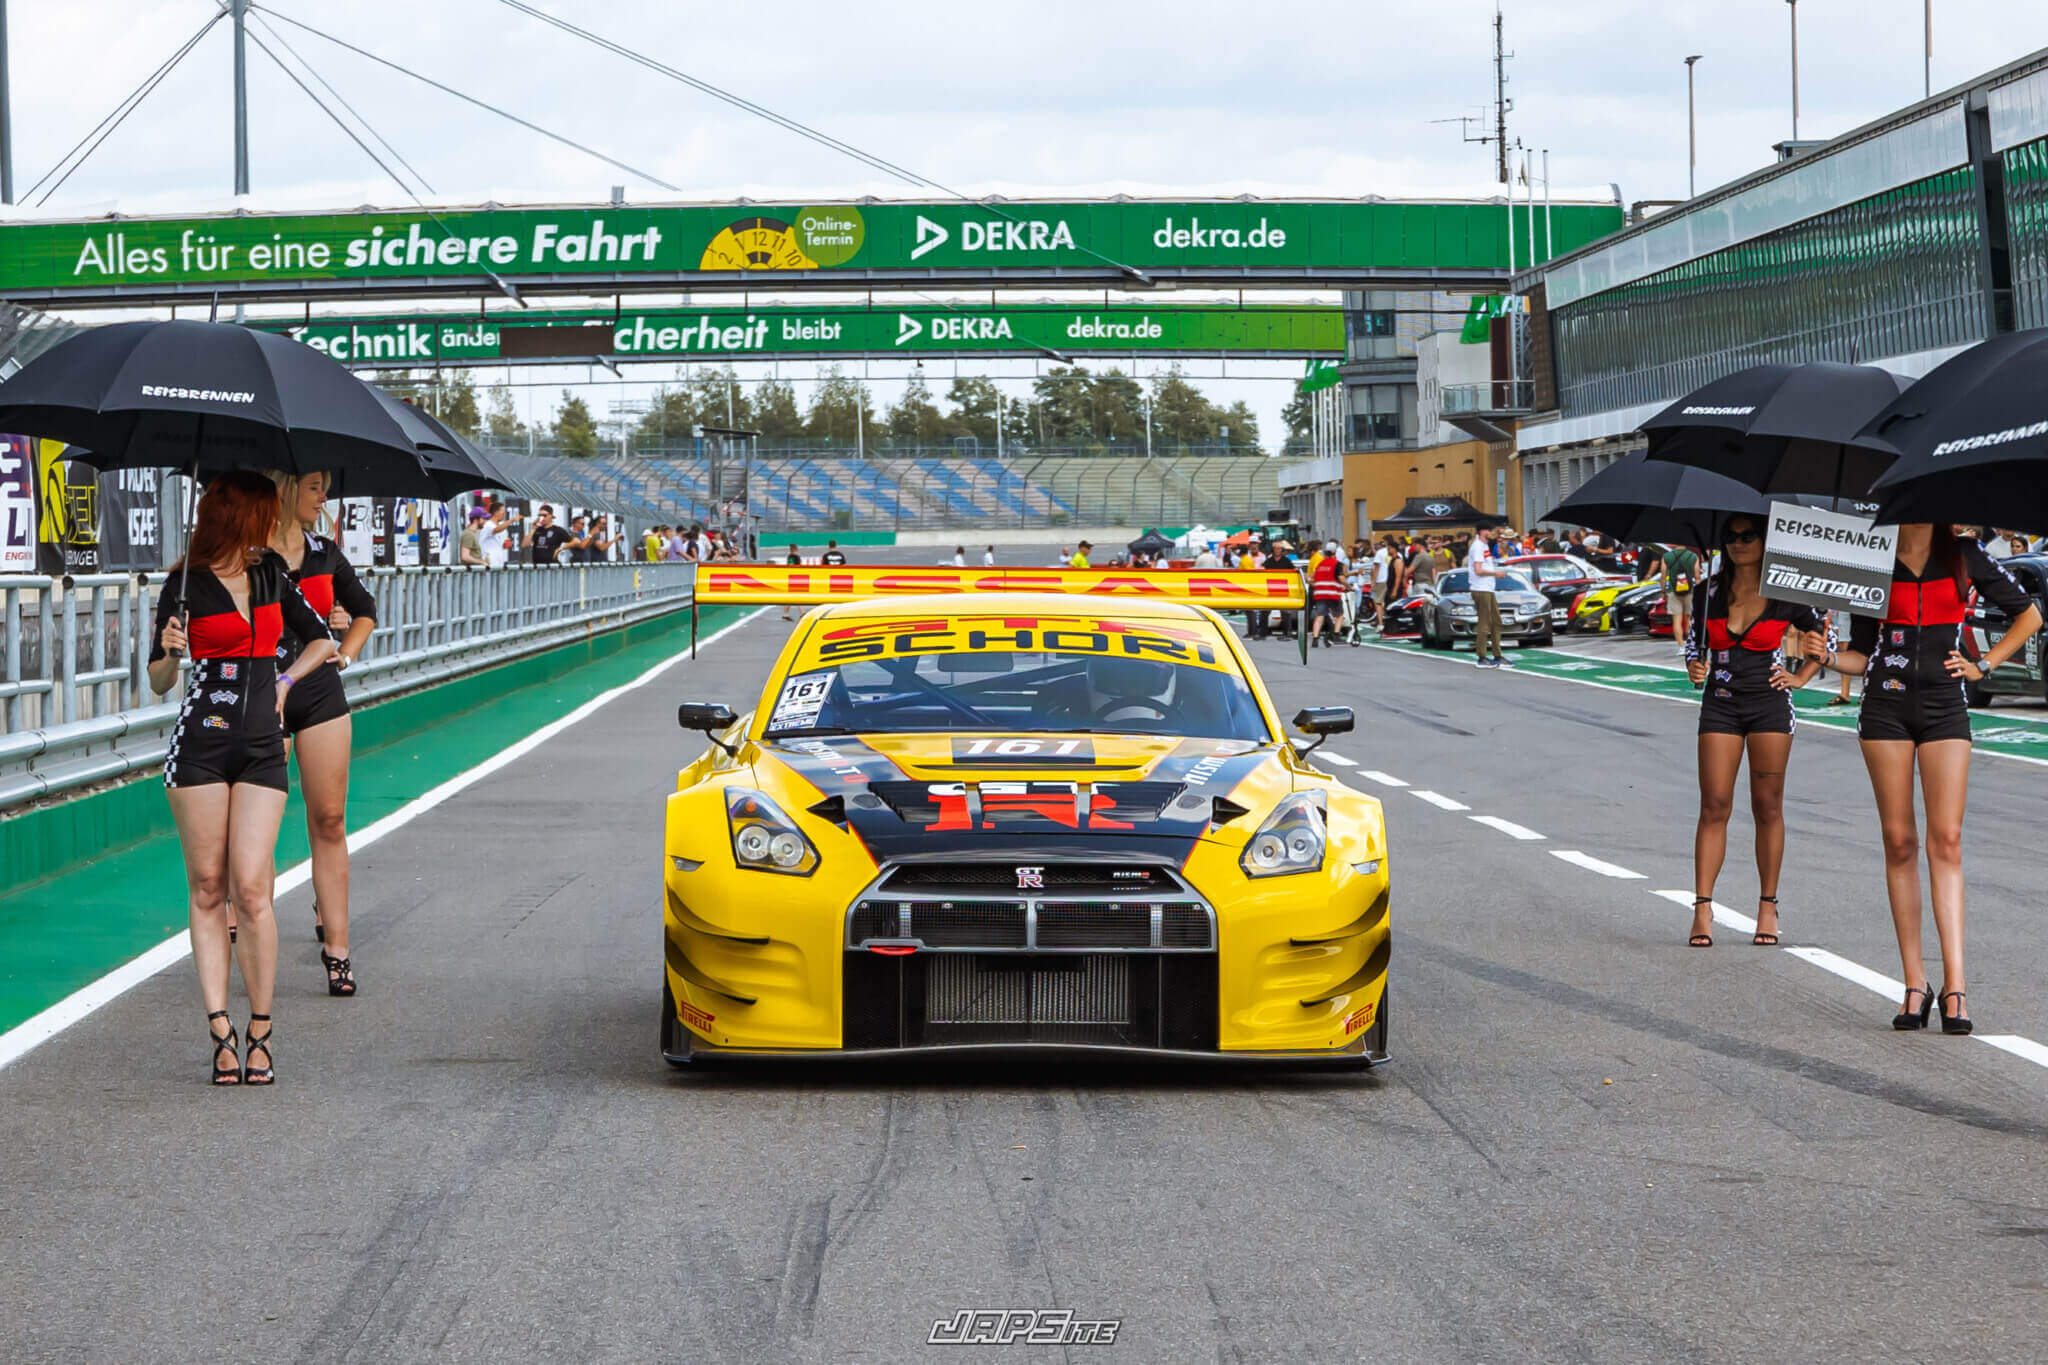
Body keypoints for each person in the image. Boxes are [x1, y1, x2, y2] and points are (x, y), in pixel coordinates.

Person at [1803, 524, 2042, 1034]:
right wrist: (1823, 656)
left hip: (1944, 709)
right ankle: (1915, 982)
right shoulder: (1869, 559)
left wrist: (1984, 665)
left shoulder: (1964, 554)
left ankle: (1955, 985)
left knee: (1947, 842)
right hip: (1884, 707)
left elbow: (2030, 615)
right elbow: (1861, 656)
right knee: (1898, 842)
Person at [146, 470, 338, 1084]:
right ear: (239, 517)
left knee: (252, 888)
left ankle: (260, 1027)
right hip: (198, 745)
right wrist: (172, 650)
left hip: (261, 745)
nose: (270, 525)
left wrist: (284, 682)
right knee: (208, 885)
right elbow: (156, 680)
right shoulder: (181, 585)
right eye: (261, 514)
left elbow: (324, 640)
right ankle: (218, 1030)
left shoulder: (271, 575)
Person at [1681, 516, 1827, 949]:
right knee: (1714, 805)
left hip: (1769, 706)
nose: (1739, 543)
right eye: (1731, 536)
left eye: (1749, 536)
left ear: (1766, 541)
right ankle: (1703, 908)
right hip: (1720, 703)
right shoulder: (1707, 592)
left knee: (1767, 806)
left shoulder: (1788, 592)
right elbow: (1693, 645)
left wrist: (1803, 675)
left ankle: (1767, 906)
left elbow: (1824, 640)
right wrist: (1694, 665)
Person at [269, 470, 375, 995]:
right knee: (259, 826)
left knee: (330, 819)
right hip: (261, 693)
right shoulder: (243, 554)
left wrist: (345, 652)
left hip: (319, 692)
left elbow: (366, 612)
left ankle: (337, 948)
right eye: (315, 487)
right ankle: (242, 921)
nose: (324, 497)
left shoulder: (325, 551)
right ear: (286, 489)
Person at [1466, 525, 1509, 668]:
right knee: (1484, 622)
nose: (1492, 534)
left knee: (1496, 620)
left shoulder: (1484, 546)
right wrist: (1496, 573)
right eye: (1490, 531)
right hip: (1481, 588)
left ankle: (1498, 655)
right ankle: (1482, 656)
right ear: (1483, 531)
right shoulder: (1477, 546)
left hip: (1488, 588)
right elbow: (1478, 570)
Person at [1663, 541, 1701, 653]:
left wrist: (1663, 591)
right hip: (1690, 591)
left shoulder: (1667, 556)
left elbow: (1663, 574)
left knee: (1677, 620)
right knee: (1689, 619)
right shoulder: (1693, 556)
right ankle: (1690, 645)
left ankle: (1681, 646)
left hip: (1673, 591)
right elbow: (1697, 576)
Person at [1307, 541, 1346, 648]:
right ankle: (1336, 635)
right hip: (1332, 593)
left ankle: (1315, 639)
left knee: (1320, 616)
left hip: (1320, 594)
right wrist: (1348, 586)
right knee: (1339, 615)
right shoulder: (1337, 564)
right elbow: (1341, 578)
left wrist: (1315, 584)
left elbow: (1310, 578)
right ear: (1334, 552)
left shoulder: (1320, 564)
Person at [781, 543, 803, 621]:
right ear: (796, 549)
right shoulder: (797, 557)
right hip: (796, 577)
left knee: (792, 596)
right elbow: (799, 567)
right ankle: (801, 613)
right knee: (796, 595)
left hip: (790, 577)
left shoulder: (789, 557)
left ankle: (786, 614)